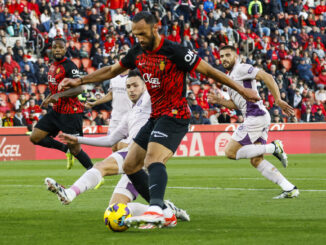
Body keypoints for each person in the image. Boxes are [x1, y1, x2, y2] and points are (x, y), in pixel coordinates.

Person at [58, 12, 260, 229]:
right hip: (156, 116)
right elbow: (110, 70)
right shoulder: (137, 52)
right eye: (136, 35)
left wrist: (241, 90)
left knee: (153, 159)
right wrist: (79, 80)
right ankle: (164, 210)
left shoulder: (175, 52)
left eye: (143, 34)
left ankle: (155, 209)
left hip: (175, 115)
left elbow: (210, 71)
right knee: (130, 165)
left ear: (156, 28)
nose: (139, 39)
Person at [44, 70, 189, 227]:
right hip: (133, 163)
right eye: (128, 87)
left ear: (145, 87)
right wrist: (78, 139)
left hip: (141, 154)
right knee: (115, 211)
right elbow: (111, 140)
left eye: (135, 85)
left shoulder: (149, 99)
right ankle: (167, 210)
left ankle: (70, 193)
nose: (131, 89)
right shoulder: (130, 114)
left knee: (101, 166)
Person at [208, 45, 299, 200]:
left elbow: (267, 77)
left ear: (235, 56)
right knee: (256, 160)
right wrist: (219, 101)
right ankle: (289, 188)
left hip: (255, 116)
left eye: (227, 55)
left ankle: (274, 146)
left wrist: (277, 99)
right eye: (222, 56)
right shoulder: (230, 77)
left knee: (230, 152)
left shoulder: (242, 68)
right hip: (258, 116)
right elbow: (237, 104)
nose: (224, 59)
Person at [29, 36, 93, 171]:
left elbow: (80, 88)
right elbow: (55, 88)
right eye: (55, 47)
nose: (57, 50)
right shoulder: (52, 66)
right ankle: (65, 150)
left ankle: (94, 172)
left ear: (65, 49)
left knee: (76, 149)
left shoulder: (70, 66)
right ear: (51, 50)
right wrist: (48, 98)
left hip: (71, 113)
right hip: (57, 111)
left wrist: (58, 96)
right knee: (35, 137)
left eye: (60, 47)